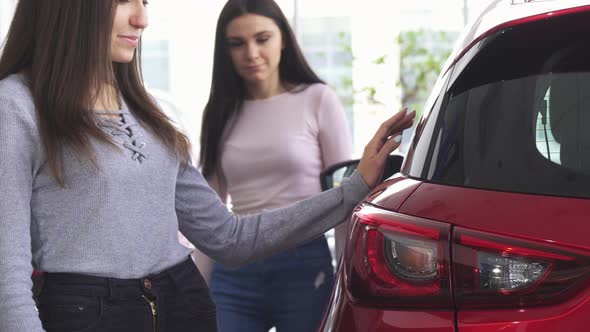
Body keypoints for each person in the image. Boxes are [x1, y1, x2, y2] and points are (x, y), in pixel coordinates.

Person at [0, 1, 415, 332]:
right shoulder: (15, 107)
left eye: (144, 1)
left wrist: (354, 189)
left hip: (185, 303)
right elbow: (8, 282)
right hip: (85, 311)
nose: (142, 17)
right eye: (124, 0)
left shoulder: (149, 113)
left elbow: (229, 237)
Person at [196, 0, 352, 331]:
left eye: (262, 38)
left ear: (283, 38)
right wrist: (194, 290)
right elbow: (207, 215)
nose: (251, 53)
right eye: (237, 44)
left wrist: (345, 273)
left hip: (305, 264)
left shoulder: (318, 99)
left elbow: (344, 196)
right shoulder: (219, 112)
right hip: (235, 267)